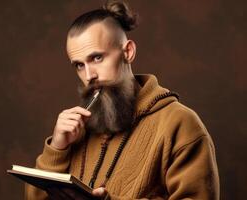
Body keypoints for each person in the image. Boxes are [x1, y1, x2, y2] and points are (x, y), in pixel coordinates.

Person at [25, 1, 220, 199]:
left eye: (97, 58)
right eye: (79, 65)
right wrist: (58, 149)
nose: (89, 75)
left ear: (128, 52)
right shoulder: (77, 131)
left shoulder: (180, 123)